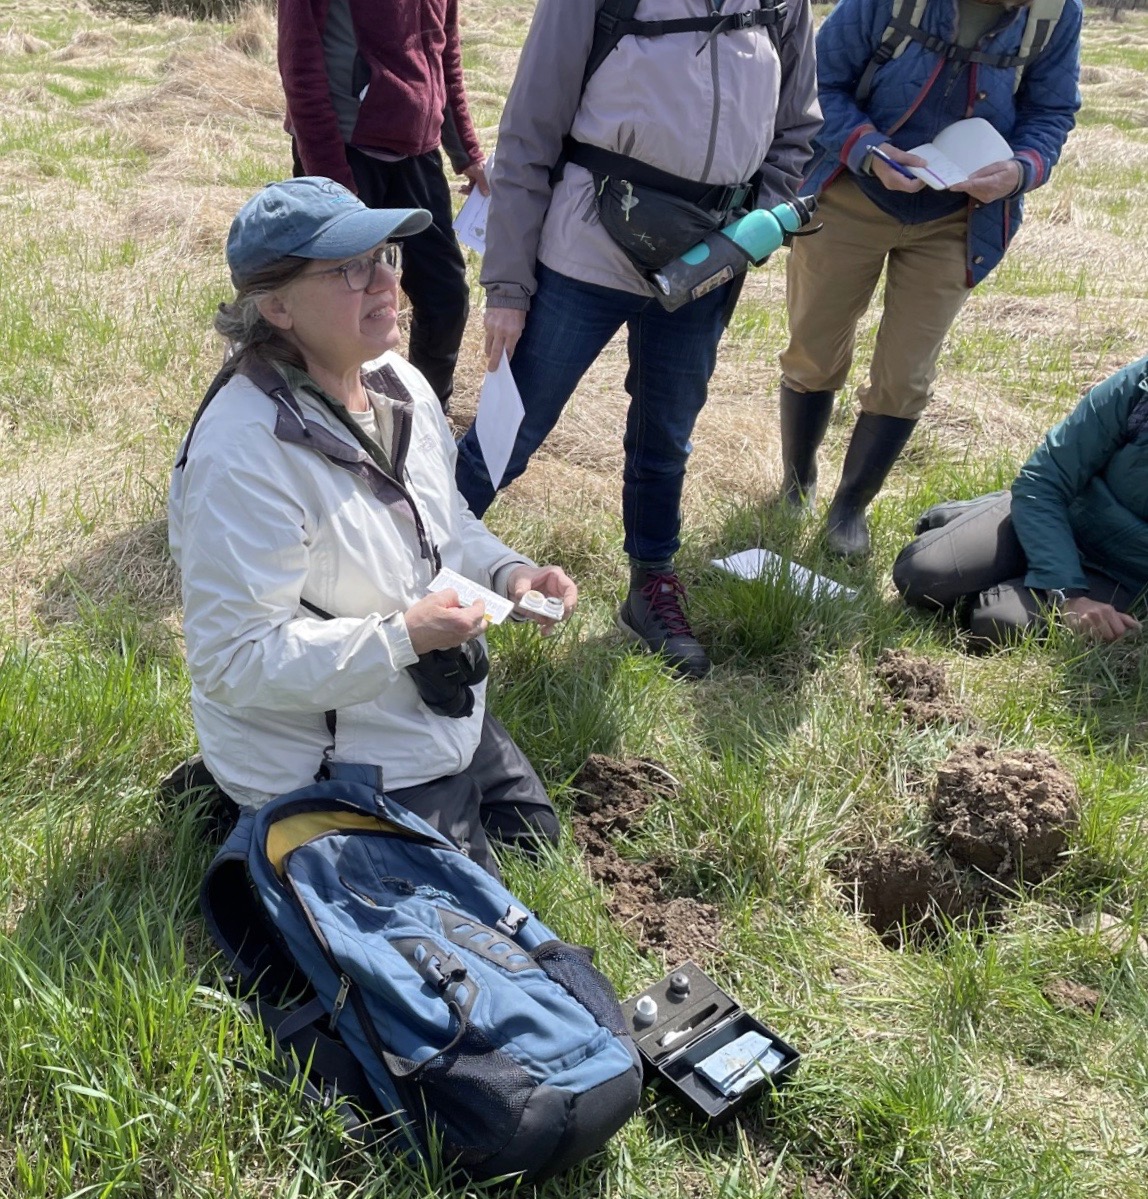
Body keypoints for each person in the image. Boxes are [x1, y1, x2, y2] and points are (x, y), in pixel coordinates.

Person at [168, 178, 578, 878]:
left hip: (410, 701)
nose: (387, 281)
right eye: (348, 269)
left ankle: (230, 799)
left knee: (535, 839)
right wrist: (404, 636)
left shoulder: (393, 379)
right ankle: (253, 800)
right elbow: (231, 658)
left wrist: (509, 572)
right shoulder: (241, 454)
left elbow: (442, 523)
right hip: (322, 748)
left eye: (384, 254)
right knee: (468, 913)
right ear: (277, 306)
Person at [453, 0, 821, 680]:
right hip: (585, 246)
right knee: (513, 429)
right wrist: (507, 286)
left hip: (710, 259)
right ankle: (407, 557)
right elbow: (529, 132)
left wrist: (750, 230)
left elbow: (797, 128)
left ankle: (651, 588)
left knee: (666, 434)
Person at [776, 0, 1082, 557]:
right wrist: (869, 150)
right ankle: (798, 484)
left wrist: (1020, 169)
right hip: (854, 194)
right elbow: (820, 83)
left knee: (906, 374)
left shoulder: (1056, 14)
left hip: (958, 218)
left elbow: (1052, 111)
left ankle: (850, 509)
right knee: (813, 350)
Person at [276, 0, 488, 412]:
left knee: (445, 298)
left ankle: (426, 416)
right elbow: (299, 67)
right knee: (334, 303)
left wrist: (468, 154)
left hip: (418, 156)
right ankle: (327, 414)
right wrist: (333, 181)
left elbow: (445, 56)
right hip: (346, 152)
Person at [893, 356, 1148, 647]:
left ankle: (1001, 556)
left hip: (1121, 574)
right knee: (921, 575)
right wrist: (1068, 595)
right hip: (1060, 517)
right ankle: (994, 510)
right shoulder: (1138, 388)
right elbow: (1045, 479)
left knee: (997, 623)